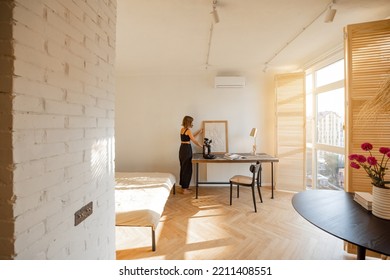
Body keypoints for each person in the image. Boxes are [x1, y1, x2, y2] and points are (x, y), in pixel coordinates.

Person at [179, 116, 203, 194]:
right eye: (191, 122)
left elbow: (190, 137)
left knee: (184, 167)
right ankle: (185, 190)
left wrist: (199, 132)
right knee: (187, 168)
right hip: (186, 150)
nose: (192, 123)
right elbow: (194, 140)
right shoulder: (188, 130)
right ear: (189, 122)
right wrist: (202, 146)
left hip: (182, 149)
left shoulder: (182, 129)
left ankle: (184, 187)